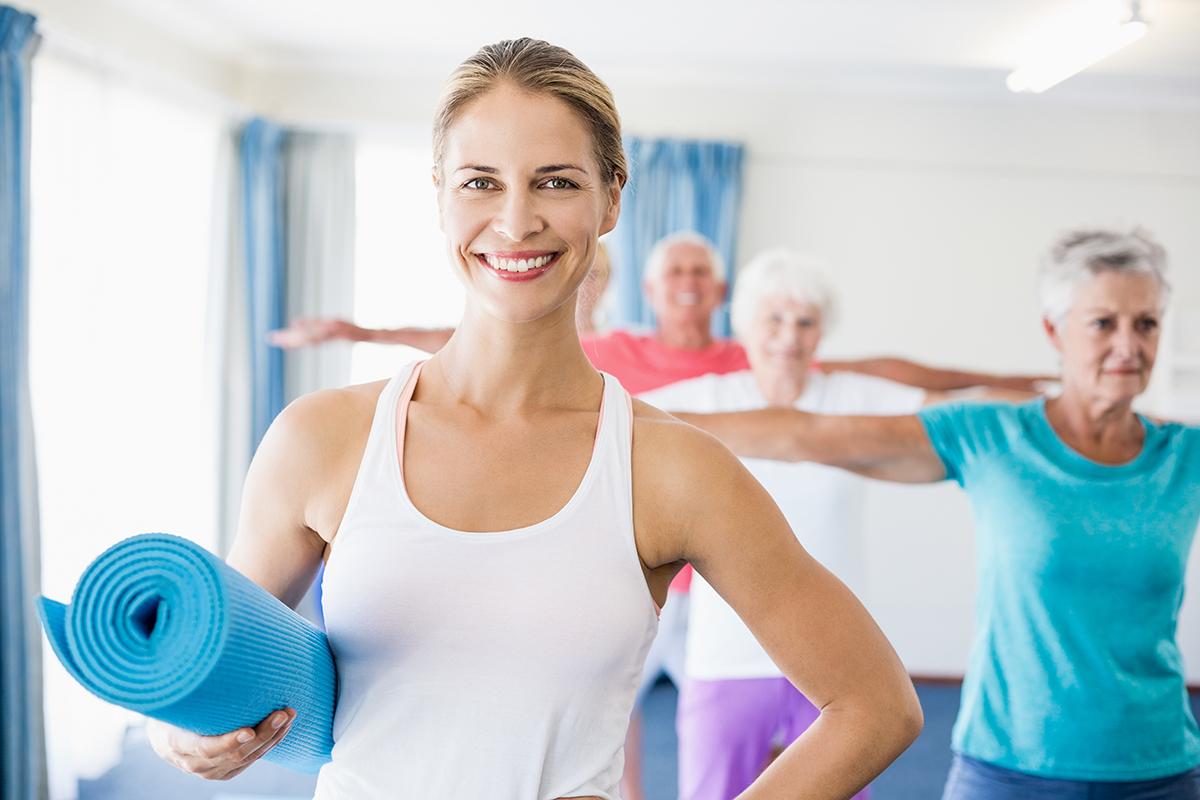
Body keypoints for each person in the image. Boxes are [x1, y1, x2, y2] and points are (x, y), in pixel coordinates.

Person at [146, 38, 923, 798]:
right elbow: (194, 679)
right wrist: (187, 737)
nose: (516, 223)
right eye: (481, 182)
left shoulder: (673, 467)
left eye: (555, 182)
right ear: (441, 194)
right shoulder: (322, 440)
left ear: (612, 196)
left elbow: (874, 706)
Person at [270, 226, 1046, 800]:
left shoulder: (742, 361)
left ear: (719, 292)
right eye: (673, 270)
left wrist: (1025, 382)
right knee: (602, 719)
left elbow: (876, 376)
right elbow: (477, 345)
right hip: (635, 583)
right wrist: (362, 334)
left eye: (700, 272)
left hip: (720, 580)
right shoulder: (619, 355)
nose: (788, 334)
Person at [672, 229, 1200, 799]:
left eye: (1145, 324)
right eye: (1103, 323)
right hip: (1008, 766)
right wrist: (612, 421)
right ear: (1055, 330)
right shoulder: (995, 435)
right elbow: (805, 433)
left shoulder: (1185, 456)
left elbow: (910, 380)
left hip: (1160, 767)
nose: (1128, 345)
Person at [640, 249, 952, 800]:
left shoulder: (853, 398)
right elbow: (611, 412)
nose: (789, 336)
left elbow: (954, 414)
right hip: (727, 654)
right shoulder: (709, 398)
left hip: (837, 656)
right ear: (746, 327)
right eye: (774, 320)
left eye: (805, 321)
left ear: (821, 331)